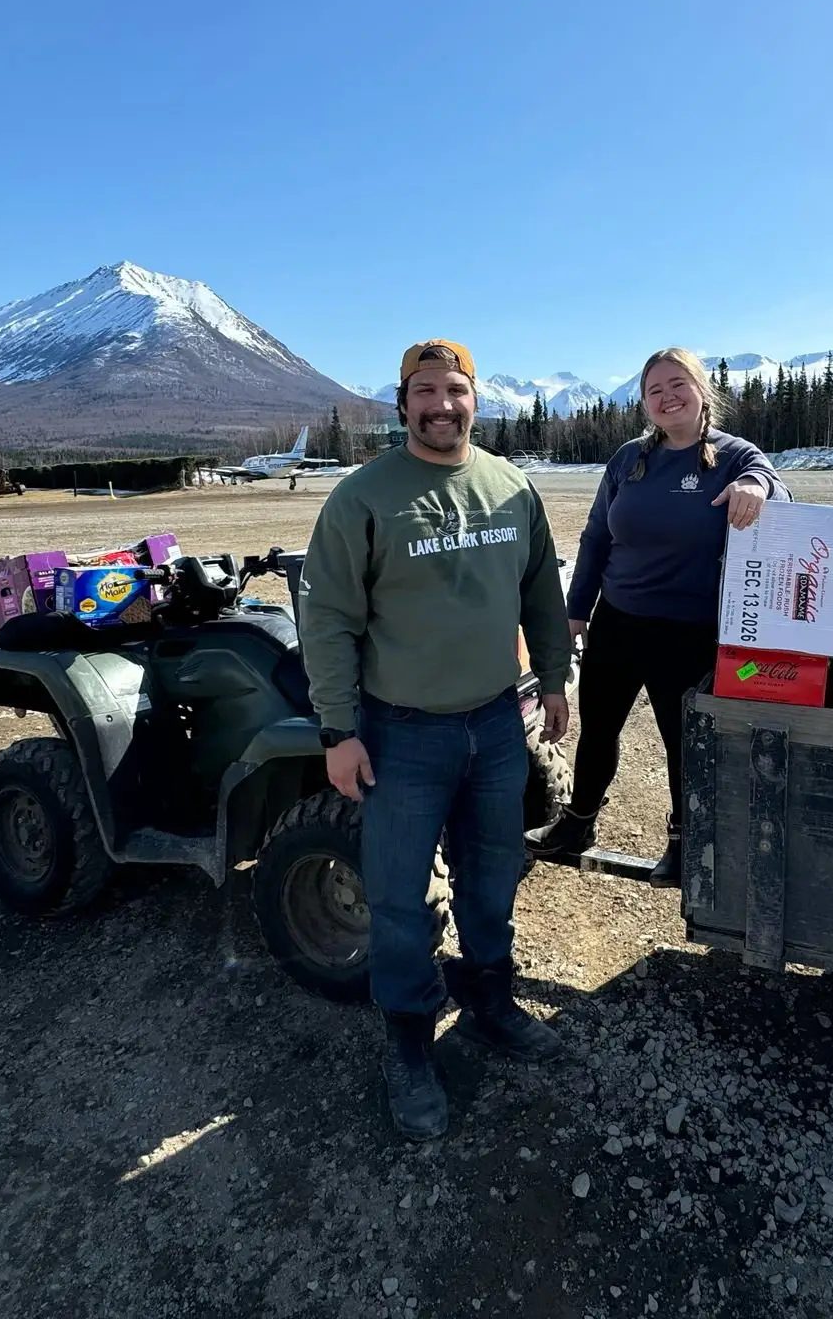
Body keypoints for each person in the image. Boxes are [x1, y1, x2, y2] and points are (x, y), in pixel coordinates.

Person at [298, 339, 574, 1141]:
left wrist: (554, 680)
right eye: (425, 391)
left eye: (455, 390)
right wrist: (338, 729)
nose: (441, 405)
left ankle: (490, 1002)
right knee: (396, 900)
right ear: (402, 404)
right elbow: (329, 620)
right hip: (402, 734)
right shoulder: (362, 498)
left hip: (495, 723)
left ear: (474, 401)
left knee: (492, 875)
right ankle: (410, 1043)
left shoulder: (511, 487)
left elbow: (540, 593)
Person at [525, 348, 787, 886]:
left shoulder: (733, 456)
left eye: (677, 385)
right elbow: (596, 537)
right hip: (618, 621)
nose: (667, 398)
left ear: (702, 390)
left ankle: (685, 842)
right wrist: (577, 610)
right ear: (644, 402)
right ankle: (577, 823)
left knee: (682, 742)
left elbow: (774, 485)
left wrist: (757, 486)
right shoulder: (628, 460)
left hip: (690, 631)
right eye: (654, 390)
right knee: (598, 729)